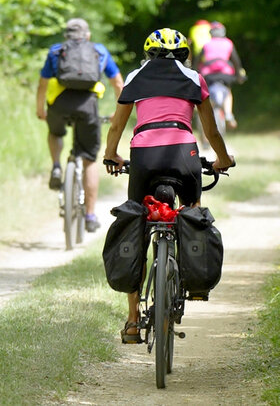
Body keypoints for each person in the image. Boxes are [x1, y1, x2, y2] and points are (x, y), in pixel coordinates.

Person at [102, 28, 234, 343]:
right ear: (185, 54)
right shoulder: (194, 79)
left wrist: (111, 156)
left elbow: (118, 124)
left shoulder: (135, 78)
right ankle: (197, 281)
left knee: (136, 223)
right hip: (183, 154)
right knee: (193, 213)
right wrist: (223, 159)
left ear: (148, 53)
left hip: (143, 156)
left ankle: (133, 322)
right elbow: (211, 130)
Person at [36, 18, 125, 232]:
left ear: (66, 35)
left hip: (58, 104)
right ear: (87, 35)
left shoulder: (56, 51)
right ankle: (90, 215)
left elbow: (42, 84)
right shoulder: (99, 51)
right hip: (88, 106)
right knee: (89, 160)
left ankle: (57, 166)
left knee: (55, 132)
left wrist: (41, 109)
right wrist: (119, 112)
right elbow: (118, 84)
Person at [194, 21, 246, 129]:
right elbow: (236, 61)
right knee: (227, 92)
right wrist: (239, 74)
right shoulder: (228, 43)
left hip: (208, 75)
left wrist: (194, 72)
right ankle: (228, 114)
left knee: (206, 95)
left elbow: (197, 61)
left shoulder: (206, 44)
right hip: (225, 74)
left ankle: (207, 112)